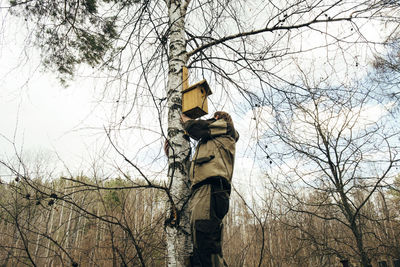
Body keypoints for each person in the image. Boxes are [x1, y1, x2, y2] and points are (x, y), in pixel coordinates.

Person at [180, 111, 239, 267]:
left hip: (210, 190)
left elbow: (197, 128)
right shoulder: (211, 143)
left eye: (213, 118)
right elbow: (194, 173)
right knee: (199, 249)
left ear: (217, 119)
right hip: (202, 193)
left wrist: (186, 120)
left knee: (206, 246)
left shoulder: (226, 128)